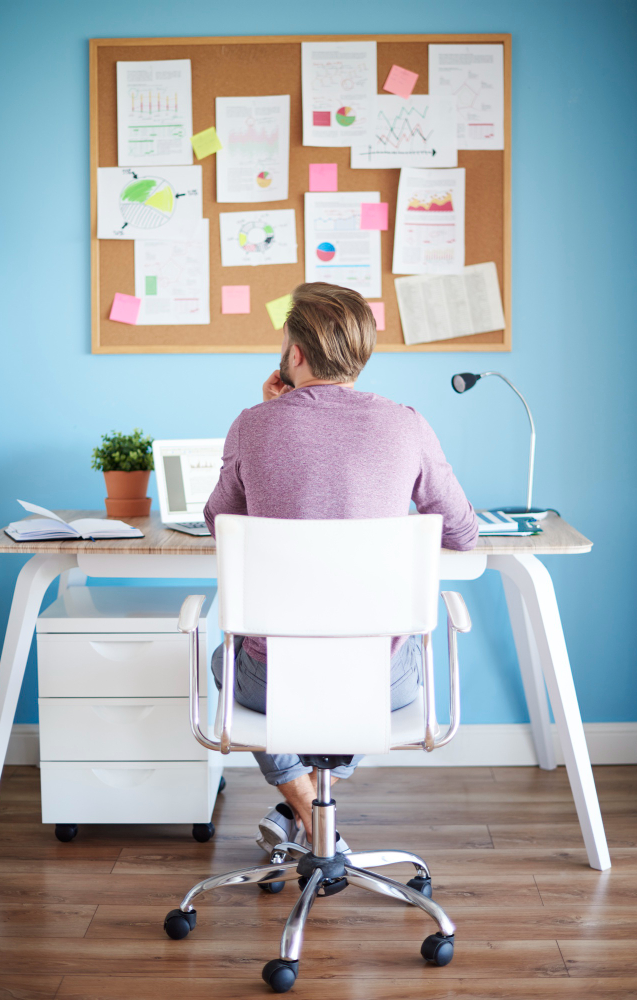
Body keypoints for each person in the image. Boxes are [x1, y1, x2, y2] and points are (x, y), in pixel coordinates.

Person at [204, 282, 478, 854]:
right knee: (392, 660)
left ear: (295, 355)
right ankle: (311, 813)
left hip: (274, 682)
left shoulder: (253, 424)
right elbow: (461, 532)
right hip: (379, 684)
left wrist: (273, 414)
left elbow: (219, 523)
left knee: (223, 659)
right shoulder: (407, 425)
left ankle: (299, 805)